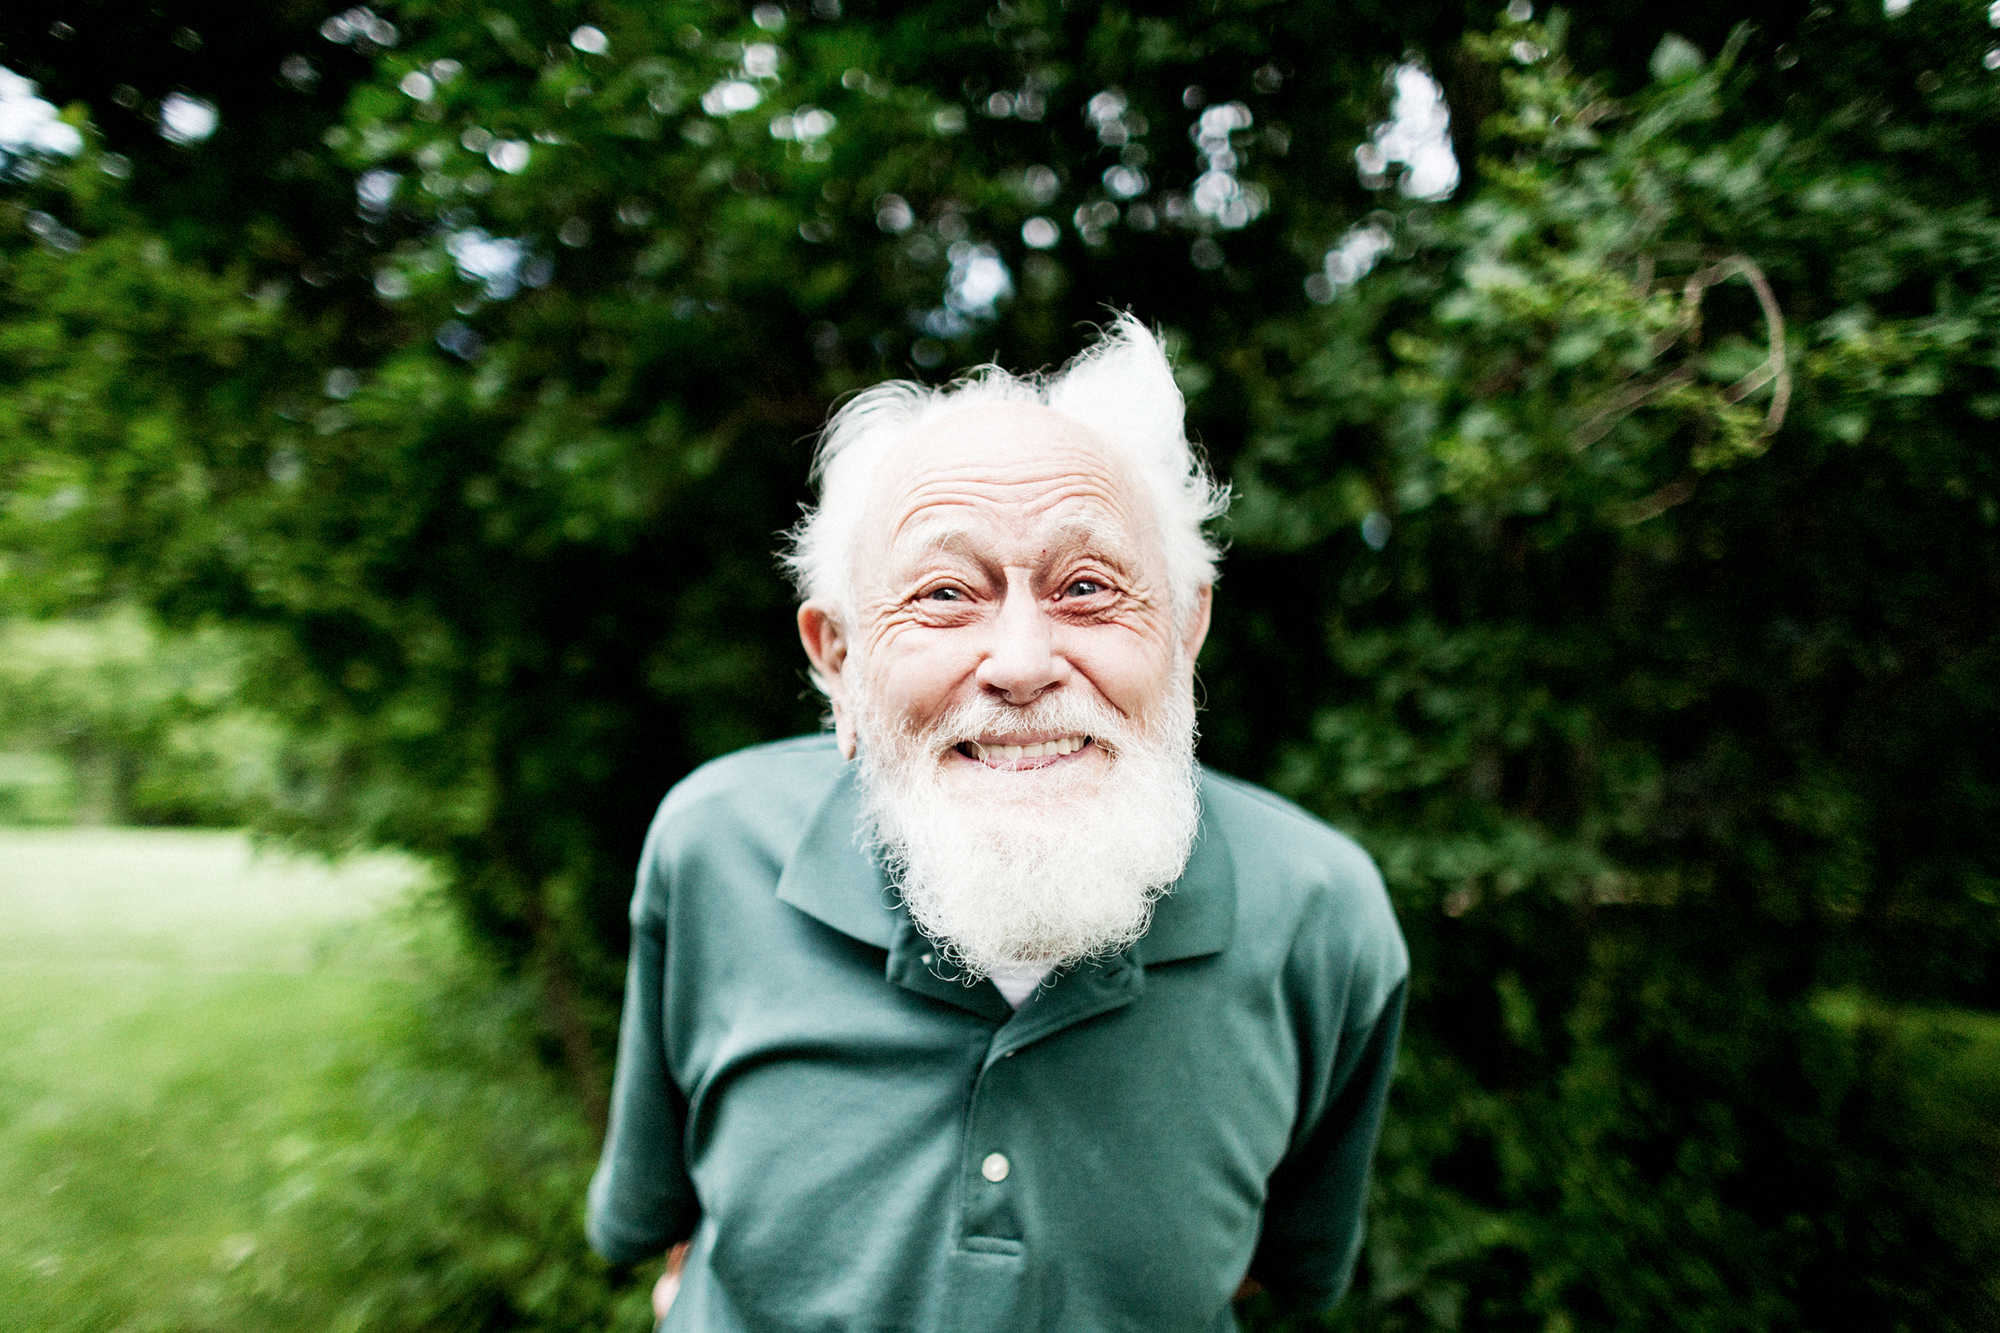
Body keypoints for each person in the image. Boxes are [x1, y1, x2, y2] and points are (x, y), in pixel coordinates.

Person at [586, 315, 1409, 1332]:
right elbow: (663, 1220)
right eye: (943, 593)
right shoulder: (710, 845)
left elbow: (1275, 1269)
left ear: (1185, 628)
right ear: (837, 660)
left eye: (1086, 587)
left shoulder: (1323, 917)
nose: (1020, 661)